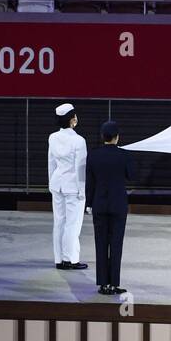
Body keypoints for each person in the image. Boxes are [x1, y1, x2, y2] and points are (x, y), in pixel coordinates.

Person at [85, 121, 136, 295]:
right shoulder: (124, 155)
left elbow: (90, 183)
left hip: (99, 204)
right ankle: (114, 284)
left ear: (102, 137)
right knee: (116, 245)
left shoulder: (93, 155)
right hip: (118, 205)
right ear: (117, 137)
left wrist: (89, 204)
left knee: (100, 244)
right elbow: (132, 175)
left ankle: (103, 285)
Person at [47, 103, 88, 270]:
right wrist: (83, 191)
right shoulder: (79, 141)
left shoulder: (52, 137)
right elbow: (81, 168)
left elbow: (51, 163)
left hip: (57, 184)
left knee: (59, 222)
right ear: (72, 120)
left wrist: (51, 183)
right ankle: (71, 260)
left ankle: (59, 259)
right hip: (73, 187)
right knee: (73, 224)